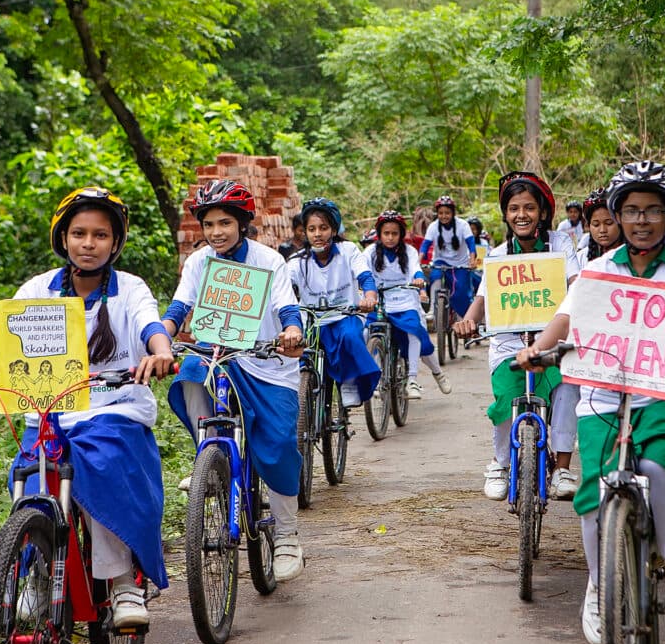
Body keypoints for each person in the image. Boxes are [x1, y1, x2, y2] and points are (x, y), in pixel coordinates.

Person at [0, 186, 176, 627]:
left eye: (101, 235)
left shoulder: (130, 288)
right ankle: (33, 570)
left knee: (105, 468)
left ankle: (124, 581)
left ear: (116, 242)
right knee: (29, 477)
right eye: (79, 233)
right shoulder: (38, 288)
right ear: (63, 238)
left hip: (114, 406)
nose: (89, 244)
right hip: (50, 407)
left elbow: (150, 325)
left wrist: (160, 351)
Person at [515, 161, 665, 644]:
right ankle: (599, 585)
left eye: (653, 210)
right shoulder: (596, 269)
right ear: (618, 216)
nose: (641, 219)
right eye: (631, 210)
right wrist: (536, 349)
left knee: (658, 463)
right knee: (594, 489)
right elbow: (565, 319)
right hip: (602, 392)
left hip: (664, 390)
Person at [161, 180, 307, 581]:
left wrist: (291, 332)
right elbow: (179, 306)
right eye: (208, 224)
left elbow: (286, 306)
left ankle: (288, 535)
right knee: (190, 374)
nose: (216, 232)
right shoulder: (199, 262)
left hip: (267, 362)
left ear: (242, 223)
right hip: (218, 356)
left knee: (277, 447)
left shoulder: (269, 259)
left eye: (224, 222)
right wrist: (159, 336)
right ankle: (210, 455)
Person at [452, 172, 582, 501]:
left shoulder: (560, 244)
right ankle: (501, 463)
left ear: (542, 211)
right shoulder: (497, 254)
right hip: (509, 343)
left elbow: (575, 282)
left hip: (554, 341)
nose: (521, 214)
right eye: (513, 208)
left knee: (567, 389)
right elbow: (482, 298)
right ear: (505, 214)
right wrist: (468, 321)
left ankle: (563, 467)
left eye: (528, 207)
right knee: (504, 403)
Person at [288, 197, 381, 409]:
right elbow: (282, 288)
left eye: (323, 227)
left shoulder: (348, 250)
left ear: (333, 229)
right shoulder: (296, 261)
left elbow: (365, 277)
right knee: (297, 350)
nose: (317, 234)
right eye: (311, 229)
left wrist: (369, 297)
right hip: (312, 320)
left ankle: (348, 382)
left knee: (348, 336)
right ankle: (303, 396)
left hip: (345, 315)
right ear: (305, 232)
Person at [363, 210, 453, 399]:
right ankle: (377, 378)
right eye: (386, 233)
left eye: (394, 233)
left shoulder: (409, 251)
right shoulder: (370, 252)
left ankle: (416, 378)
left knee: (415, 333)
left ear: (401, 235)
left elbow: (416, 270)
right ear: (379, 234)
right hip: (379, 301)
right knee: (366, 333)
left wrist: (419, 279)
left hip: (405, 300)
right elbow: (362, 272)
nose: (390, 238)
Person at [419, 195, 478, 320]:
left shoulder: (463, 225)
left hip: (460, 264)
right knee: (435, 278)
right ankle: (432, 310)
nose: (444, 216)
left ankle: (464, 317)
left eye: (447, 213)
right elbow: (425, 246)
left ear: (453, 213)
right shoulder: (433, 226)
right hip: (440, 261)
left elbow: (471, 244)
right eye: (440, 213)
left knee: (460, 293)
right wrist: (418, 262)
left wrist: (472, 260)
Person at [577, 186, 624, 267]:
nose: (602, 230)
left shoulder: (635, 259)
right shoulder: (580, 258)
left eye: (609, 223)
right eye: (596, 224)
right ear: (589, 226)